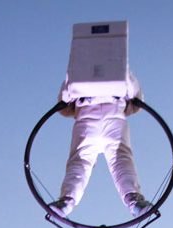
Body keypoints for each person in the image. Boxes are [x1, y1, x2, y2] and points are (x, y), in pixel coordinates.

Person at [49, 70, 152, 219]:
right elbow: (137, 96)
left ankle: (66, 202)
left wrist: (73, 107)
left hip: (86, 116)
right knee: (120, 160)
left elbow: (63, 101)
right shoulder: (120, 66)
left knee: (80, 161)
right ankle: (134, 201)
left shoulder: (77, 68)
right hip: (114, 114)